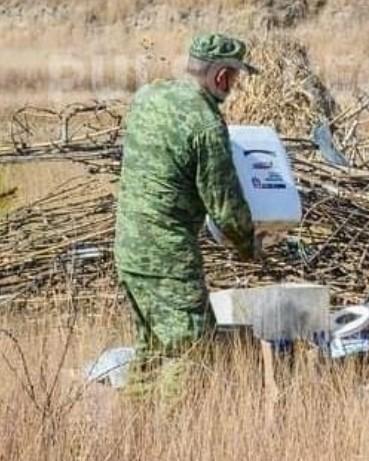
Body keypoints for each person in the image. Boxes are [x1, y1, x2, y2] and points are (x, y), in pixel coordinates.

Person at [114, 33, 259, 395]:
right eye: (235, 78)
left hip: (129, 248)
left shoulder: (149, 96)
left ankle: (137, 439)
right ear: (222, 76)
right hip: (168, 257)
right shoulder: (206, 124)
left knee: (151, 350)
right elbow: (225, 208)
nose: (234, 86)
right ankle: (168, 442)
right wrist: (250, 247)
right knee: (192, 351)